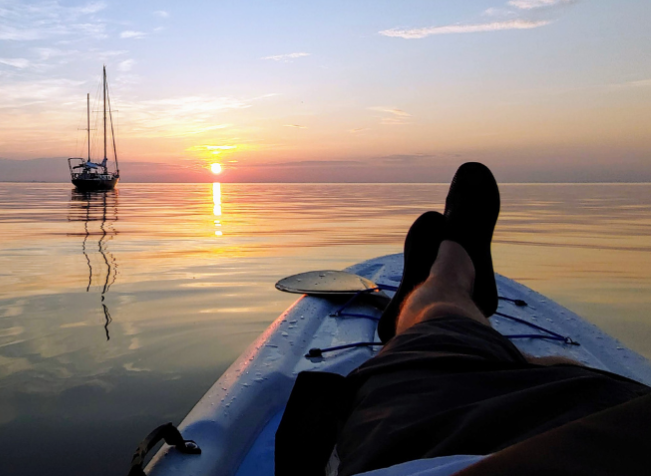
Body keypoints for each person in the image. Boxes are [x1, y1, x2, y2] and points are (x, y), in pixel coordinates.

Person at [276, 163, 651, 476]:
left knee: (438, 340)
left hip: (418, 448)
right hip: (608, 428)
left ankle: (440, 288)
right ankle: (452, 277)